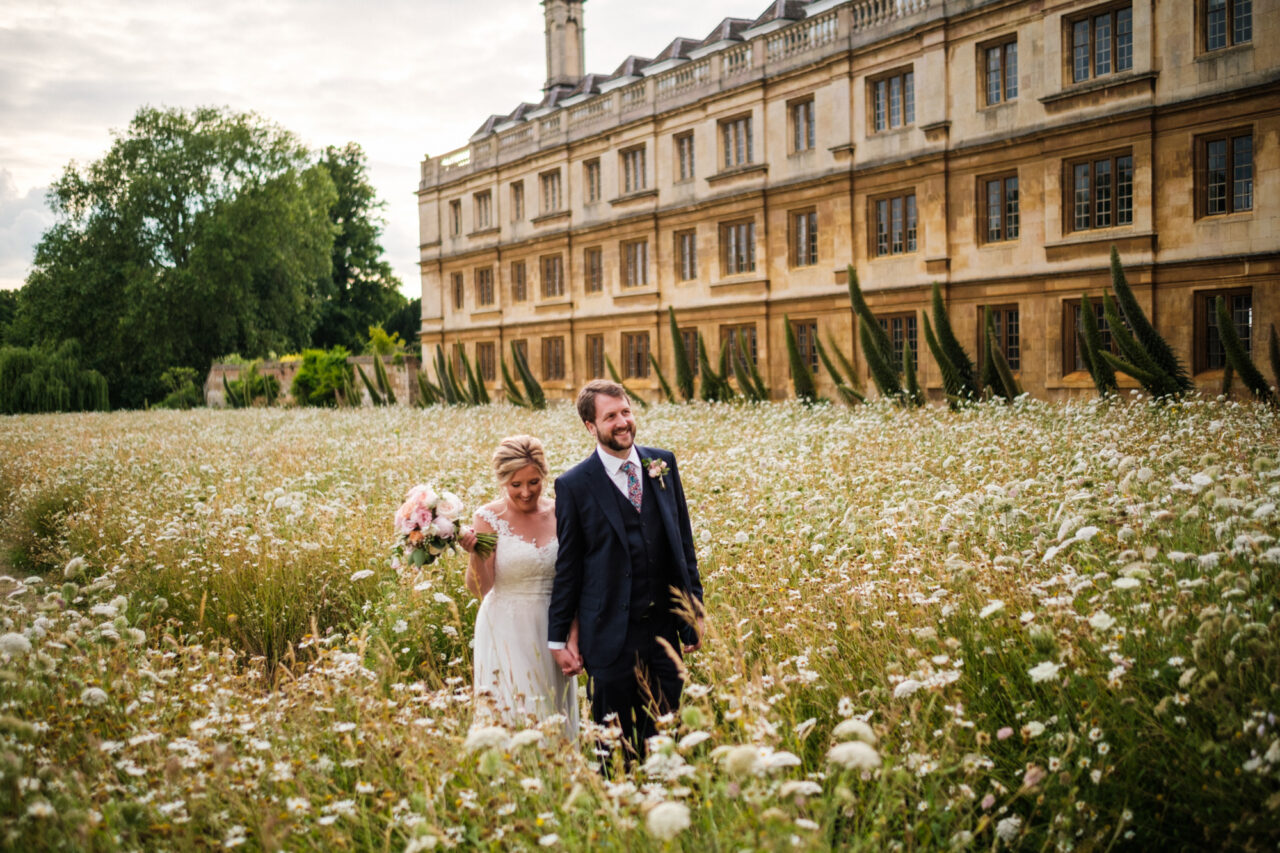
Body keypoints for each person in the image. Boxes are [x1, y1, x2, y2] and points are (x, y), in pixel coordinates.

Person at [548, 380, 704, 765]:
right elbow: (568, 566)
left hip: (665, 632)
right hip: (609, 637)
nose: (622, 422)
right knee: (613, 749)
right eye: (610, 416)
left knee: (666, 738)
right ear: (590, 426)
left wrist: (693, 612)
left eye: (626, 412)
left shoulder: (661, 463)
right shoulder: (574, 485)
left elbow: (683, 543)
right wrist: (557, 638)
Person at [460, 435, 579, 738]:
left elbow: (575, 577)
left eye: (534, 482)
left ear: (544, 476)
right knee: (514, 714)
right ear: (502, 482)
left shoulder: (562, 511)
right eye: (516, 485)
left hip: (554, 626)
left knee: (554, 714)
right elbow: (480, 588)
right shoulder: (487, 517)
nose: (526, 493)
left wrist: (573, 635)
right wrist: (475, 554)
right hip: (505, 628)